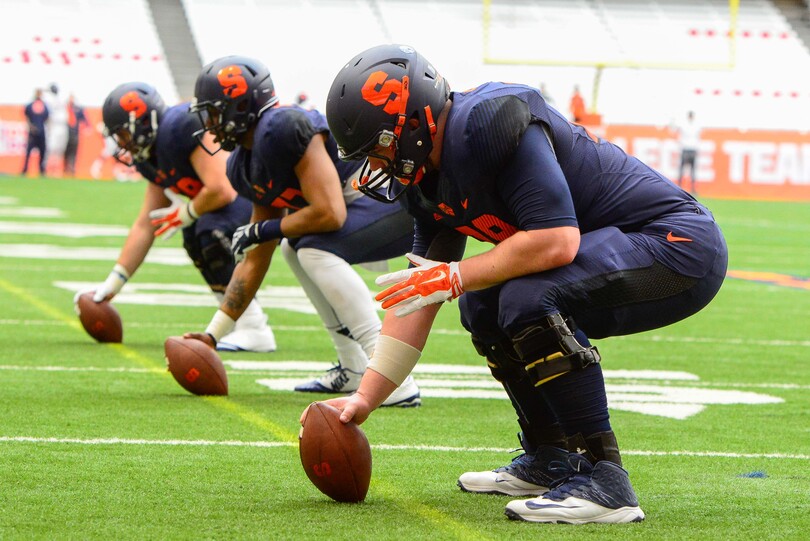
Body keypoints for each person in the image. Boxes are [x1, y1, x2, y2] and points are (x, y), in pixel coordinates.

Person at [319, 44, 728, 524]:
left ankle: (606, 481)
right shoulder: (429, 179)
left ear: (416, 123)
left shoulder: (490, 123)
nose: (378, 164)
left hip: (676, 243)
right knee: (481, 304)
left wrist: (452, 276)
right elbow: (417, 296)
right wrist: (366, 397)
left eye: (381, 145)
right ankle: (552, 456)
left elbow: (556, 241)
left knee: (525, 296)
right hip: (622, 245)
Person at [182, 56, 420, 406]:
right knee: (293, 247)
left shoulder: (282, 127)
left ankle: (390, 374)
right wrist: (212, 335)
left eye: (215, 114)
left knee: (311, 248)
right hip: (365, 203)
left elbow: (330, 214)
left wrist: (265, 228)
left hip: (397, 198)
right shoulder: (245, 163)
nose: (210, 126)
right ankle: (354, 367)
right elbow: (255, 258)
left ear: (241, 107)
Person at [77, 82, 276, 352]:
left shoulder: (178, 127)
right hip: (234, 199)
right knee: (194, 236)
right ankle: (243, 324)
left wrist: (186, 212)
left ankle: (254, 326)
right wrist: (112, 284)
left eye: (124, 133)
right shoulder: (151, 155)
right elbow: (146, 224)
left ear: (143, 121)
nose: (122, 143)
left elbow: (222, 189)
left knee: (208, 231)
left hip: (256, 193)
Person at [22, 88, 49, 177]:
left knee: (42, 152)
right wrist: (31, 126)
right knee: (28, 151)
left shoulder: (45, 106)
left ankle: (41, 170)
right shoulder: (30, 105)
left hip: (41, 132)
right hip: (32, 132)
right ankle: (25, 170)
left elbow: (47, 118)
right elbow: (26, 116)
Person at [42, 83, 68, 175]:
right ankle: (46, 168)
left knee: (60, 149)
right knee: (50, 148)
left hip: (62, 125)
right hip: (53, 126)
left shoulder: (61, 98)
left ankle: (56, 169)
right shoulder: (48, 99)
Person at [63, 94, 89, 177]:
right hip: (64, 134)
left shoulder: (78, 109)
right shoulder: (64, 109)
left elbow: (85, 120)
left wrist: (87, 128)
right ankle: (65, 168)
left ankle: (72, 168)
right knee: (65, 152)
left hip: (74, 134)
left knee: (73, 152)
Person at [676, 111, 701, 193]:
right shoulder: (691, 126)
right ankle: (680, 187)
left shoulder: (687, 126)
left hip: (690, 149)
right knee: (684, 170)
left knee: (691, 170)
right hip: (687, 149)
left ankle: (691, 188)